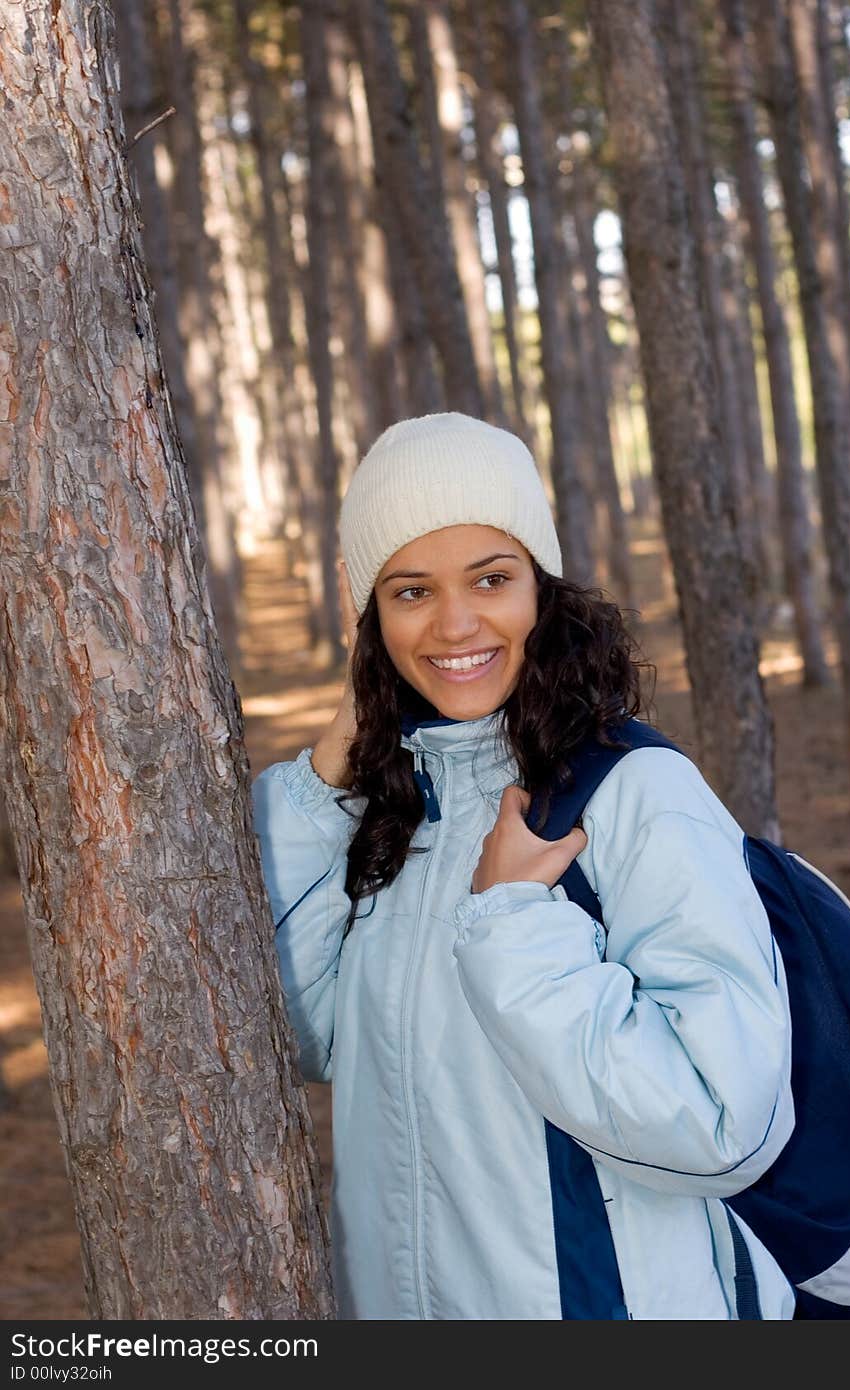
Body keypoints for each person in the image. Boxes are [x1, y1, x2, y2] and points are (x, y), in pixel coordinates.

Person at [252, 411, 795, 1320]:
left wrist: (512, 922)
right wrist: (320, 790)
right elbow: (309, 1040)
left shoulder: (633, 793)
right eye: (411, 592)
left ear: (541, 587)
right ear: (369, 612)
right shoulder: (397, 806)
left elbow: (722, 1122)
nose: (456, 623)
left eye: (491, 579)